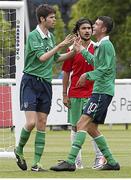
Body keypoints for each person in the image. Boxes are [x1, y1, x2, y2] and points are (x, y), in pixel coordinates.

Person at [50, 16, 120, 171]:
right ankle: (112, 162)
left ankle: (70, 161)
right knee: (91, 128)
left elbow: (106, 68)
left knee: (81, 124)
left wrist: (87, 75)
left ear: (103, 29)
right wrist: (81, 50)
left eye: (95, 24)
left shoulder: (105, 45)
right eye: (88, 26)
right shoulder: (102, 45)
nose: (92, 27)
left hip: (101, 92)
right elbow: (97, 63)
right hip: (98, 91)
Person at [14, 4, 75, 172]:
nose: (55, 20)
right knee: (31, 122)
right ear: (42, 19)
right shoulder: (34, 36)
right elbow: (42, 58)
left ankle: (36, 163)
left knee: (42, 122)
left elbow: (55, 58)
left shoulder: (51, 37)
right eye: (52, 17)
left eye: (55, 17)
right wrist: (61, 45)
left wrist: (74, 51)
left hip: (46, 83)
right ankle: (19, 149)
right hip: (31, 82)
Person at [62, 18, 106, 169]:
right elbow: (66, 73)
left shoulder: (98, 48)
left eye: (89, 28)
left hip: (93, 94)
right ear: (78, 32)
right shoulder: (71, 50)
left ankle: (100, 158)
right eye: (83, 28)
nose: (87, 30)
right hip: (75, 94)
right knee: (75, 127)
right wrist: (64, 95)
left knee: (92, 126)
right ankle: (76, 161)